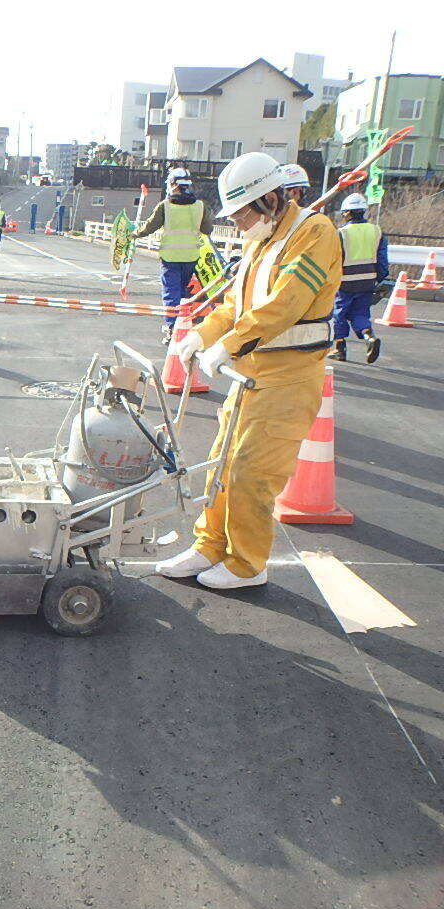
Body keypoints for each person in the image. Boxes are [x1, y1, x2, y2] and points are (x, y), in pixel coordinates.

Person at [155, 152, 341, 590]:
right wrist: (202, 335)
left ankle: (246, 565)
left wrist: (229, 344)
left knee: (252, 474)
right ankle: (209, 545)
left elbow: (285, 304)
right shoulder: (262, 240)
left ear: (271, 199)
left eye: (242, 214)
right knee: (220, 465)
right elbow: (236, 307)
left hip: (288, 379)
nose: (238, 224)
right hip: (250, 375)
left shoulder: (314, 232)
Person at [133, 167, 214, 341]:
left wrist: (135, 233)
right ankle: (182, 325)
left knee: (171, 293)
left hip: (170, 258)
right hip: (191, 257)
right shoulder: (200, 206)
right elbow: (207, 229)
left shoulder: (165, 206)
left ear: (172, 184)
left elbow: (149, 227)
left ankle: (172, 329)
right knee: (182, 293)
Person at [330, 192, 386, 364]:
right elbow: (382, 259)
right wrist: (381, 278)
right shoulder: (376, 231)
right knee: (360, 313)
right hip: (368, 281)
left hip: (345, 282)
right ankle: (369, 337)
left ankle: (340, 348)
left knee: (339, 313)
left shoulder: (342, 233)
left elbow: (333, 259)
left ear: (347, 213)